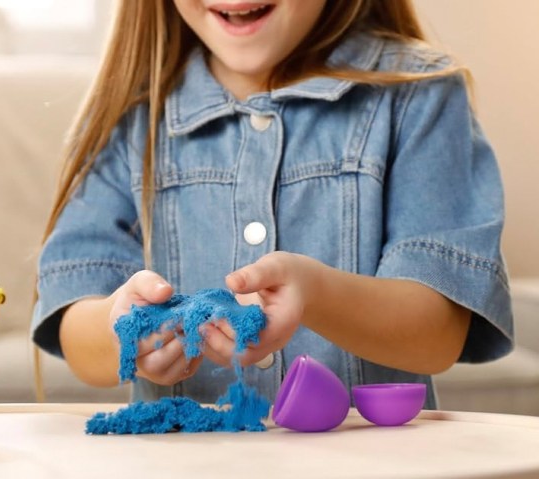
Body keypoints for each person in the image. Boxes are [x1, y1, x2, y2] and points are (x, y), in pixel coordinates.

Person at [31, 0, 513, 409]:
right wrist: (124, 329)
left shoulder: (418, 94)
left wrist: (317, 295)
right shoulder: (130, 118)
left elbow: (437, 336)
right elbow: (75, 324)